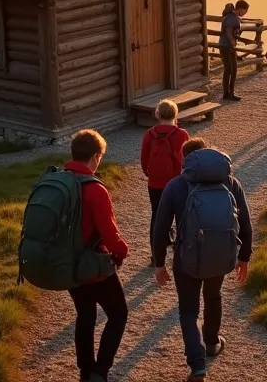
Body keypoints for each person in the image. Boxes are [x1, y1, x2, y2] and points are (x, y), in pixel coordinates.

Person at [152, 138, 253, 382]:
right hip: (220, 255)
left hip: (186, 258)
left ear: (184, 158)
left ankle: (197, 367)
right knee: (214, 295)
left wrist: (159, 262)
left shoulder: (175, 185)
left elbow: (160, 227)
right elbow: (245, 224)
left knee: (188, 310)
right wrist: (244, 257)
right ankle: (211, 342)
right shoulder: (231, 183)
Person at [64, 130, 131, 382]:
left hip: (66, 264)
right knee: (118, 314)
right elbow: (109, 233)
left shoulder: (59, 181)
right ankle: (100, 371)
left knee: (85, 315)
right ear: (95, 156)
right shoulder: (95, 190)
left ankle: (85, 370)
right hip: (93, 265)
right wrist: (122, 251)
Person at [141, 99, 190, 247]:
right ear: (175, 114)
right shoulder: (182, 134)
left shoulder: (149, 134)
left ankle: (156, 251)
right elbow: (187, 158)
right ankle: (181, 248)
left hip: (155, 182)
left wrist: (148, 173)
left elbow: (144, 158)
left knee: (157, 214)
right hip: (177, 181)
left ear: (157, 114)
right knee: (181, 214)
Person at [218, 0, 249, 102]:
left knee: (232, 69)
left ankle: (229, 92)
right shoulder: (232, 18)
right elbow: (228, 31)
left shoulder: (232, 17)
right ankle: (228, 93)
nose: (245, 13)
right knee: (230, 69)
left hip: (227, 46)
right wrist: (232, 43)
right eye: (245, 11)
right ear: (240, 9)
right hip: (226, 46)